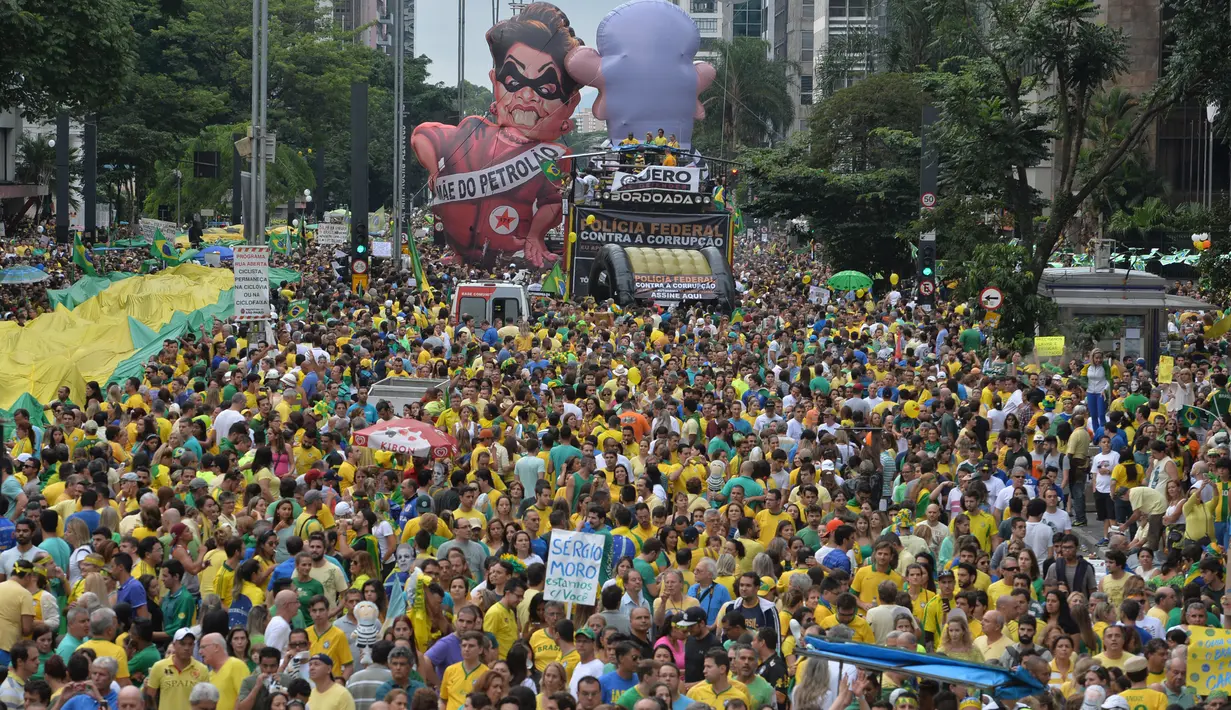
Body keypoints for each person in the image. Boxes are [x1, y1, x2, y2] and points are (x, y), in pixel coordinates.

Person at [145, 629, 210, 710]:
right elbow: (150, 698)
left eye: (190, 644)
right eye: (182, 644)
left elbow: (205, 702)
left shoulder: (202, 669)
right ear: (174, 644)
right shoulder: (159, 667)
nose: (187, 648)